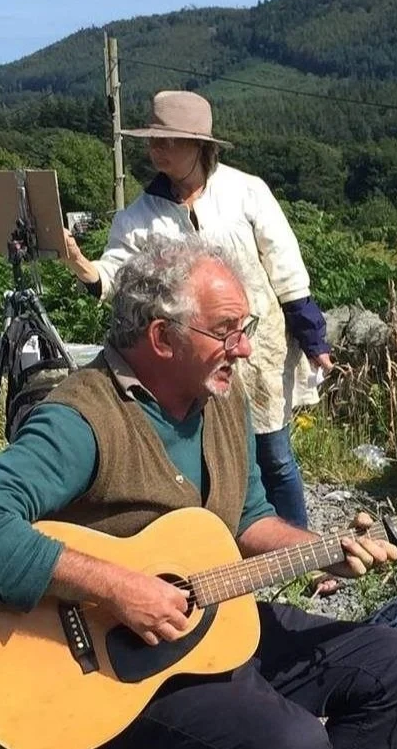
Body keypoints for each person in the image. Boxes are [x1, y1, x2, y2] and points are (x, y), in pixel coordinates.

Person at [0, 234, 397, 749]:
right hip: (112, 676)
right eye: (225, 331)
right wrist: (117, 588)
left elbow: (248, 516)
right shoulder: (83, 420)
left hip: (213, 631)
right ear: (162, 338)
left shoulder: (221, 396)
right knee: (293, 741)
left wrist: (320, 552)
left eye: (246, 328)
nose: (242, 348)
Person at [62, 91, 334, 586]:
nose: (157, 151)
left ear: (198, 145)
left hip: (256, 343)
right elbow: (118, 273)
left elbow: (286, 267)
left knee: (271, 451)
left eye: (168, 141)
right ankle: (217, 560)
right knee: (201, 455)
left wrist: (313, 337)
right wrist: (85, 269)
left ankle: (306, 555)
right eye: (153, 141)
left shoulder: (246, 192)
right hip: (186, 360)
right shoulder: (139, 216)